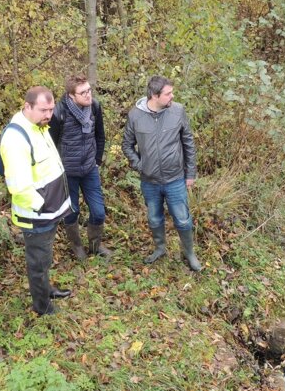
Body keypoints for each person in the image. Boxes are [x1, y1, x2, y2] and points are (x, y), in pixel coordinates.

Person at [0, 87, 72, 315]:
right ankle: (42, 306)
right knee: (38, 262)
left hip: (49, 211)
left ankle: (45, 289)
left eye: (51, 109)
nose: (49, 115)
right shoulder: (16, 138)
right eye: (44, 110)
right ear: (27, 106)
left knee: (45, 258)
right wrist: (44, 205)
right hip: (37, 215)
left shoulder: (38, 126)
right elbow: (18, 186)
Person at [122, 75, 201, 271]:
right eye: (168, 94)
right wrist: (140, 165)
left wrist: (190, 173)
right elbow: (127, 144)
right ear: (155, 95)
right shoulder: (135, 116)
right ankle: (160, 248)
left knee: (182, 219)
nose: (172, 96)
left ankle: (189, 253)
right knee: (154, 218)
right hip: (150, 181)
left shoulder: (177, 111)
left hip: (175, 178)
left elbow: (188, 143)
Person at [49, 74, 112, 260]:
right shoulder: (58, 113)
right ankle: (77, 247)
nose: (88, 95)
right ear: (71, 95)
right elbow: (51, 144)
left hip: (89, 169)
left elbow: (100, 136)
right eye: (82, 92)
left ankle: (95, 245)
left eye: (89, 90)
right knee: (71, 212)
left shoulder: (94, 107)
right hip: (68, 171)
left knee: (99, 212)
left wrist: (97, 160)